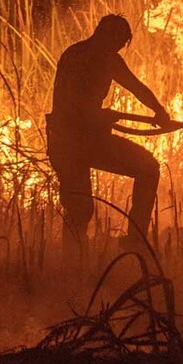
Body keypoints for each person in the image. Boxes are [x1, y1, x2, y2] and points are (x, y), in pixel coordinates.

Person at [46, 15, 172, 251]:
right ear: (105, 34)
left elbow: (136, 87)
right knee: (80, 207)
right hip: (70, 140)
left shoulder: (98, 57)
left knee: (146, 169)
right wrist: (101, 115)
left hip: (82, 139)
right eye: (119, 42)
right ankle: (76, 263)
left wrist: (160, 112)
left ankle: (130, 243)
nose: (119, 48)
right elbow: (70, 103)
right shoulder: (84, 57)